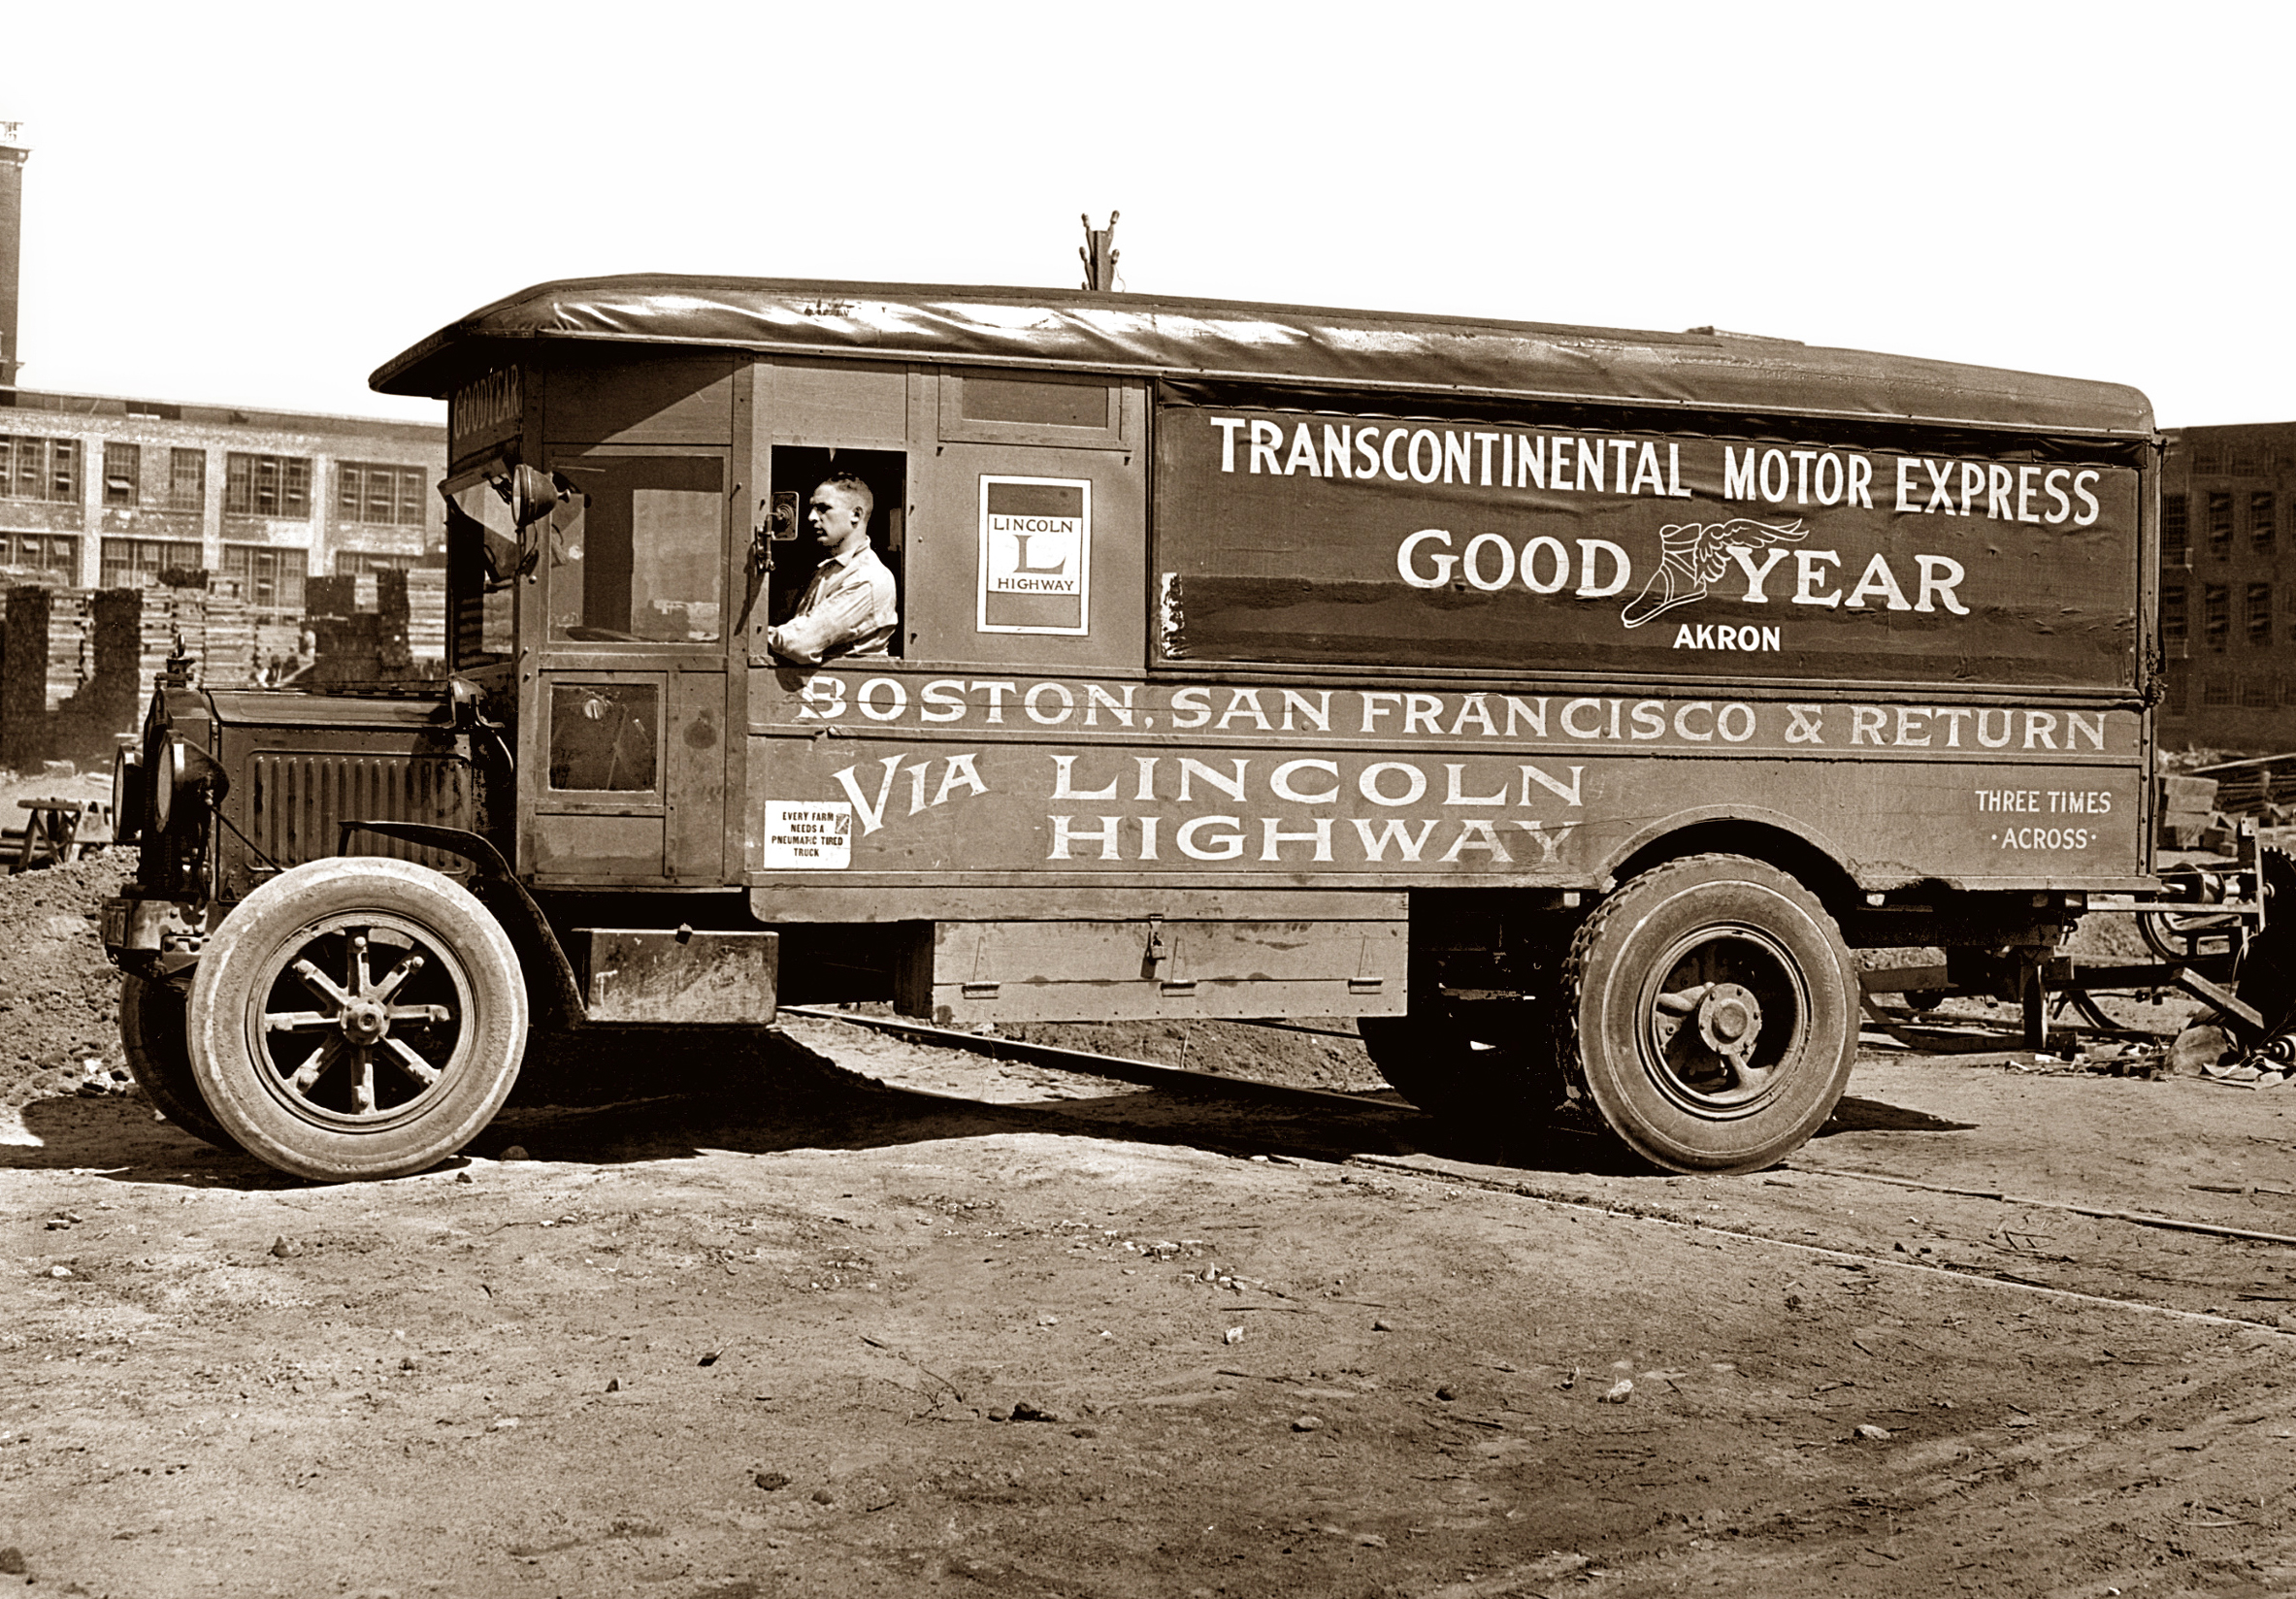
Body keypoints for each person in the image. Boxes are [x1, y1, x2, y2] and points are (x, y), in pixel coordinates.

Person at [764, 473, 898, 664]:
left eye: (823, 509)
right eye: (812, 508)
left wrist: (755, 637)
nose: (811, 517)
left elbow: (800, 643)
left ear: (856, 515)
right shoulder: (829, 569)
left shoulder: (868, 578)